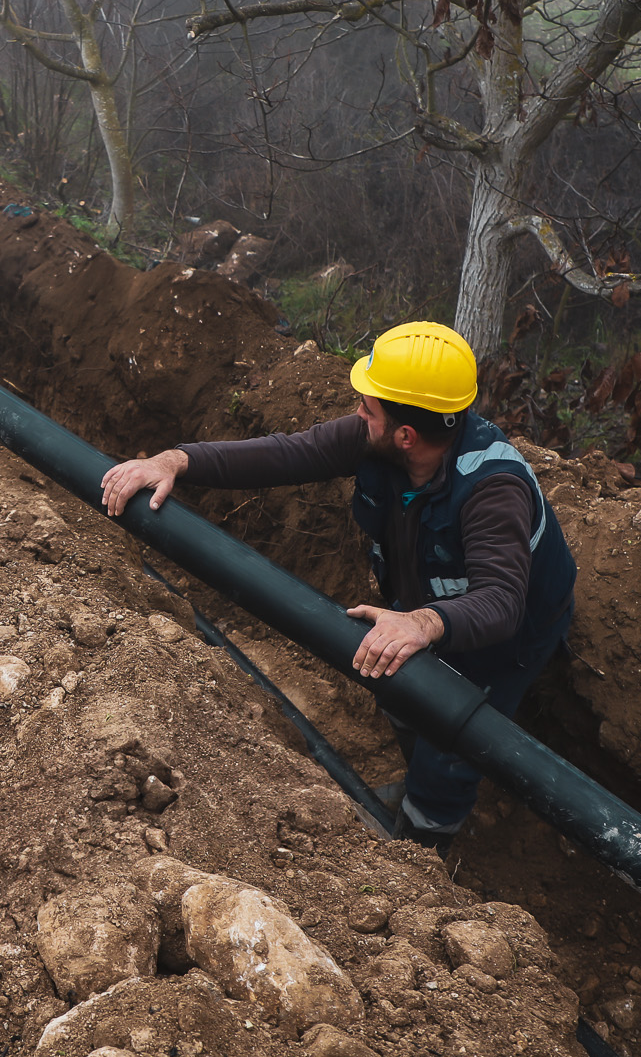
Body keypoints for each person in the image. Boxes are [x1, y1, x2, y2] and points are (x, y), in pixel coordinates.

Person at [99, 321, 576, 854]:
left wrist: (422, 623)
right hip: (425, 603)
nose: (356, 415)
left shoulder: (492, 491)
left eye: (367, 408)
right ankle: (416, 779)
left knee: (450, 745)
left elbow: (502, 601)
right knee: (405, 696)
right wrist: (175, 460)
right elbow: (284, 453)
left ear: (406, 435)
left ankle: (423, 845)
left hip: (502, 634)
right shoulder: (388, 440)